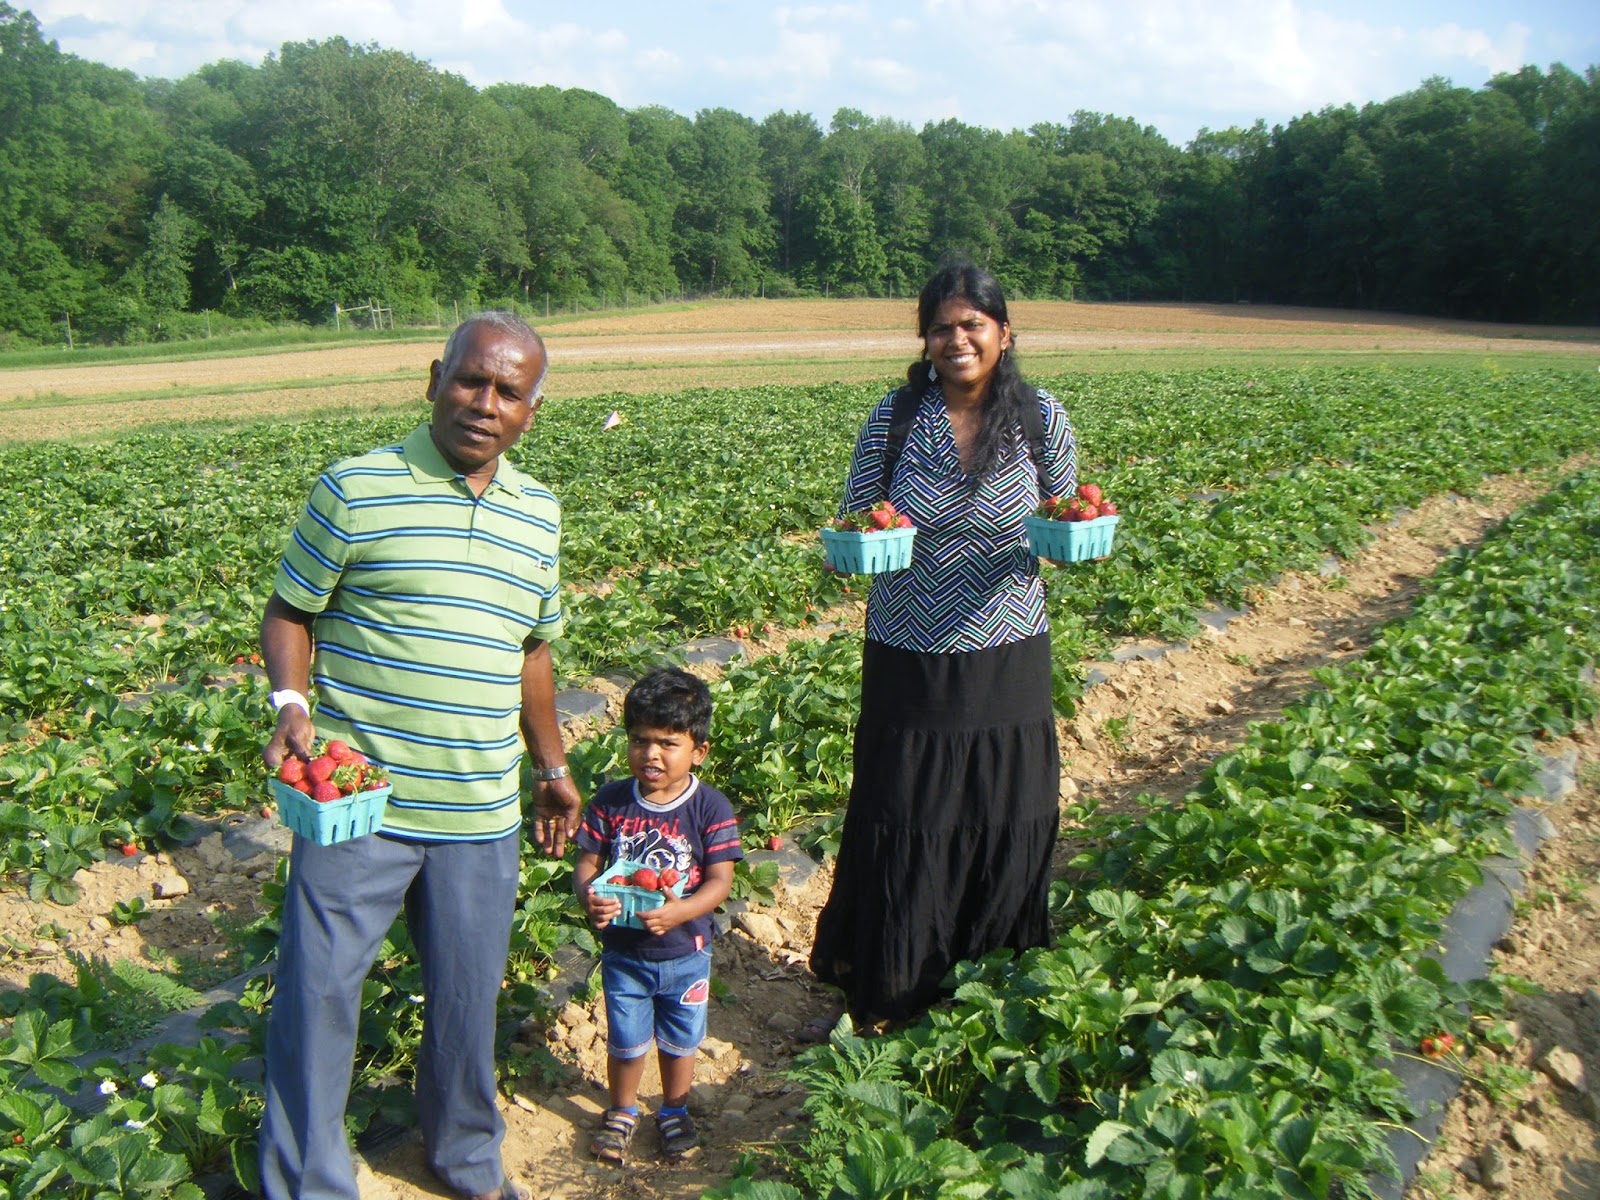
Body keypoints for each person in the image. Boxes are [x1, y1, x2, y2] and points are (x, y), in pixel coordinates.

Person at [257, 311, 582, 1200]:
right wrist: (293, 702)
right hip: (363, 803)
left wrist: (552, 769)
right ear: (433, 376)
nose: (484, 403)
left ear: (531, 410)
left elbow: (534, 650)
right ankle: (308, 1182)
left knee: (468, 1008)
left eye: (508, 392)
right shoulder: (357, 488)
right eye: (471, 380)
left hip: (482, 810)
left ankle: (465, 1158)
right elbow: (290, 612)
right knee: (319, 997)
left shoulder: (539, 513)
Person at [807, 259, 1078, 1031]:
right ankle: (898, 980)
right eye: (941, 328)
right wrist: (852, 545)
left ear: (1003, 334)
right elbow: (858, 517)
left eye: (972, 326)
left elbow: (1063, 510)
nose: (956, 340)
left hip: (1007, 645)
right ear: (923, 339)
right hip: (909, 647)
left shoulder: (1038, 417)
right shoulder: (895, 419)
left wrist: (1071, 536)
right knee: (906, 808)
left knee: (1006, 806)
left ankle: (992, 970)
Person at [572, 667, 743, 1163]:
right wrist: (591, 897)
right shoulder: (611, 801)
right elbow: (587, 864)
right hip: (624, 952)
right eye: (640, 740)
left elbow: (720, 881)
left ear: (699, 751)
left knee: (680, 1037)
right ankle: (622, 1110)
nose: (651, 754)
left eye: (668, 743)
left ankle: (673, 1109)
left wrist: (680, 912)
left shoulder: (710, 809)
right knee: (625, 1040)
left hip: (686, 949)